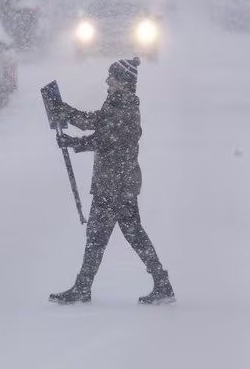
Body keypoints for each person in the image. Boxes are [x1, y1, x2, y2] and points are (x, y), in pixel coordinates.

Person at [48, 57, 174, 305]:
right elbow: (97, 124)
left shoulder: (124, 108)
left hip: (114, 185)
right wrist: (66, 112)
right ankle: (162, 283)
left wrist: (73, 140)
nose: (107, 82)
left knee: (98, 236)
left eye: (112, 78)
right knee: (130, 234)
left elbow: (103, 139)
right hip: (119, 183)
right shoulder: (119, 103)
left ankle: (84, 288)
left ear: (123, 82)